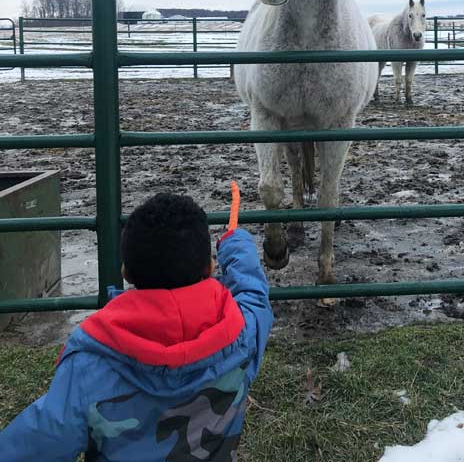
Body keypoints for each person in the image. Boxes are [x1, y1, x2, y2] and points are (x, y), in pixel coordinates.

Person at [0, 181, 273, 461]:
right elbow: (253, 292)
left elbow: (37, 445)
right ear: (210, 267)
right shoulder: (243, 336)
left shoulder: (89, 368)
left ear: (125, 272)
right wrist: (234, 241)